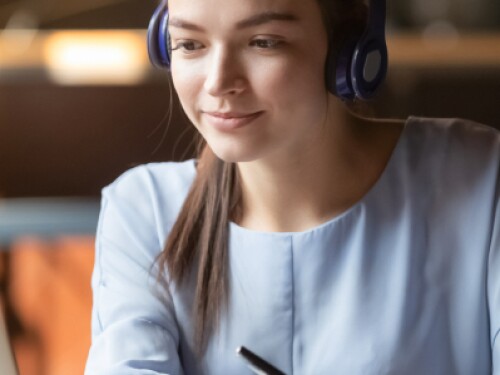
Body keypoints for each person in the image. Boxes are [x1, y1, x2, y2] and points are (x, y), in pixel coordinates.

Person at [84, 0, 500, 373]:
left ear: (346, 44)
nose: (218, 82)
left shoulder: (481, 178)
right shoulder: (144, 212)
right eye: (191, 44)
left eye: (263, 42)